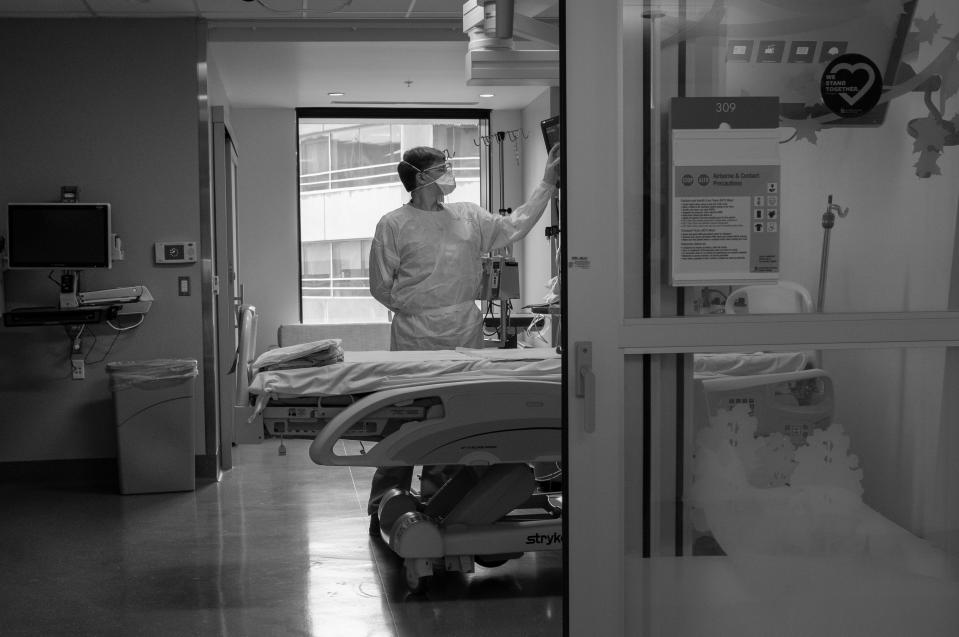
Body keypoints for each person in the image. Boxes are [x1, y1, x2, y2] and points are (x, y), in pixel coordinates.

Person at [365, 143, 561, 534]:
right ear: (421, 177)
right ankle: (383, 502)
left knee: (451, 419)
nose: (449, 171)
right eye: (442, 167)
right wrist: (417, 306)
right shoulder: (393, 223)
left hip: (462, 329)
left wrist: (547, 184)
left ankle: (440, 503)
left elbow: (514, 226)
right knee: (404, 419)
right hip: (414, 333)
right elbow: (379, 285)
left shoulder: (468, 215)